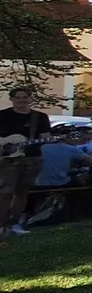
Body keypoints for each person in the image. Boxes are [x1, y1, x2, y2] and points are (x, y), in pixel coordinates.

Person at [0, 86, 53, 237]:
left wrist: (48, 140)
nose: (21, 100)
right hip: (7, 159)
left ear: (30, 99)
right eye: (18, 97)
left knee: (22, 192)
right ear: (12, 99)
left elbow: (45, 136)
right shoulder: (2, 116)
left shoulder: (40, 117)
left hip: (31, 158)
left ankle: (14, 223)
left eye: (25, 97)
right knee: (5, 193)